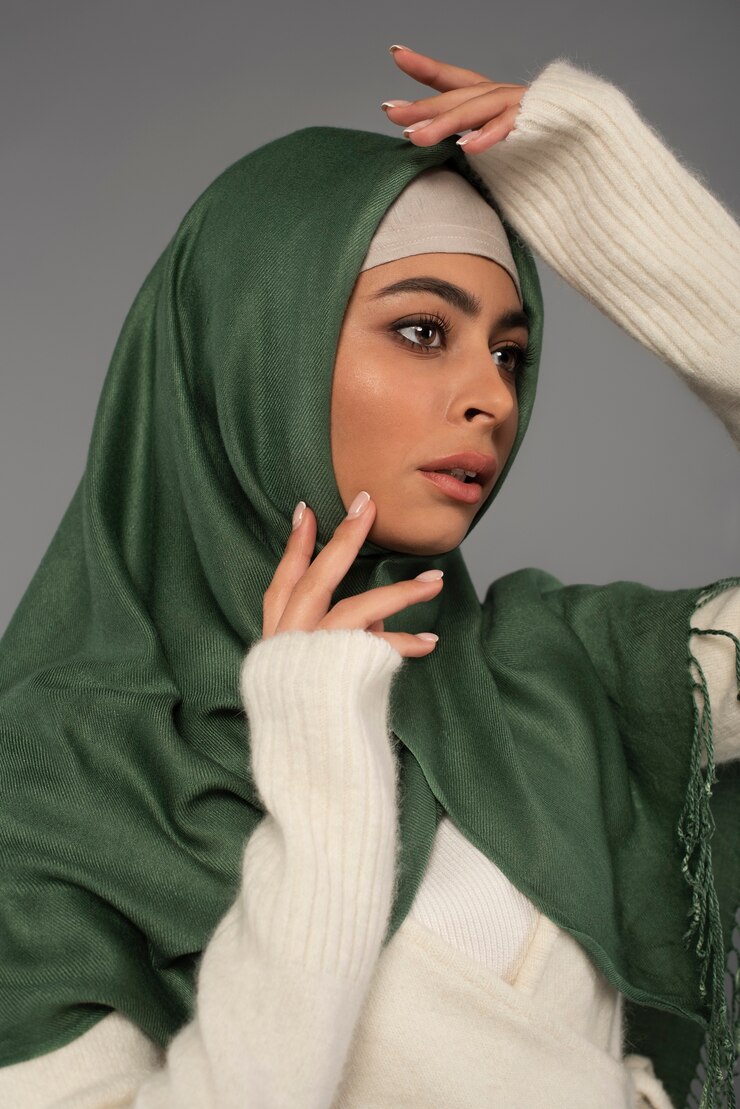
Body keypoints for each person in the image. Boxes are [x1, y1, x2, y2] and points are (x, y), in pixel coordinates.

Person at [0, 43, 738, 1109]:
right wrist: (318, 751)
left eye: (510, 352)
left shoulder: (558, 670)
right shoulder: (50, 785)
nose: (493, 397)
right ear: (256, 348)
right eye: (423, 329)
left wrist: (616, 204)